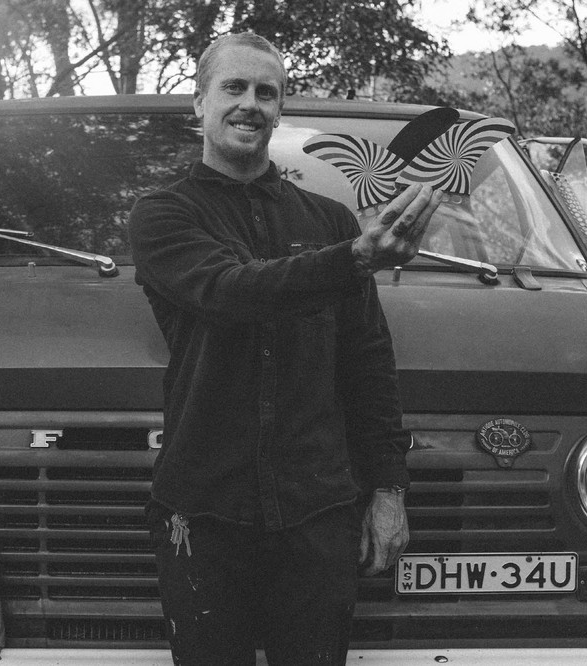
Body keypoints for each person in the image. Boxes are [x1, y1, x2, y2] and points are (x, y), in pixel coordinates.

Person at [128, 32, 442, 665]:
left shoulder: (328, 221)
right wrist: (356, 258)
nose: (251, 103)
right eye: (234, 87)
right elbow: (230, 290)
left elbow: (367, 363)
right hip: (202, 514)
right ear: (199, 102)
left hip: (318, 513)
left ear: (279, 110)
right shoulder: (162, 215)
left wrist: (389, 490)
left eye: (266, 92)